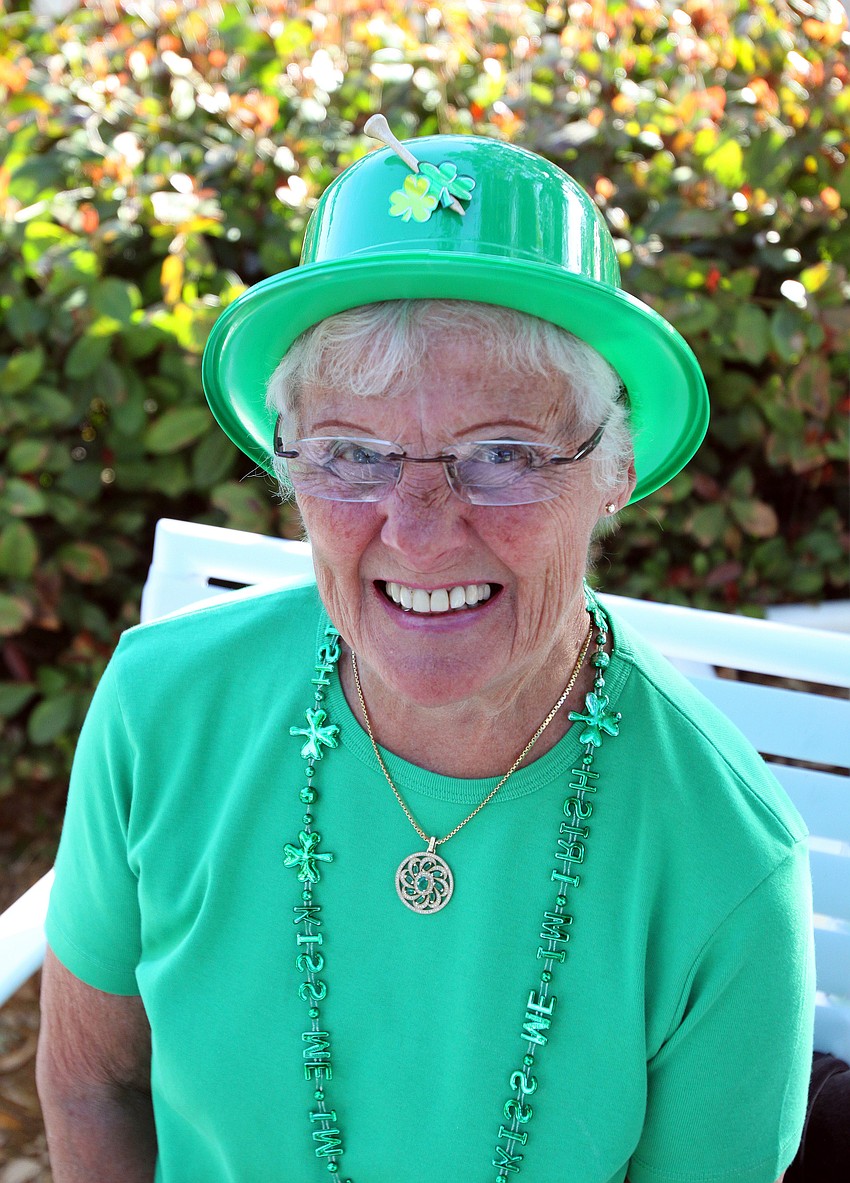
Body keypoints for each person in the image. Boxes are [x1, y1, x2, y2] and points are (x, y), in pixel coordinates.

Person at [37, 130, 814, 1182]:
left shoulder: (723, 851)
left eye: (503, 453)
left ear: (616, 467)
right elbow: (95, 1086)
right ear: (289, 463)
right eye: (353, 453)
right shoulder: (162, 706)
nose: (417, 528)